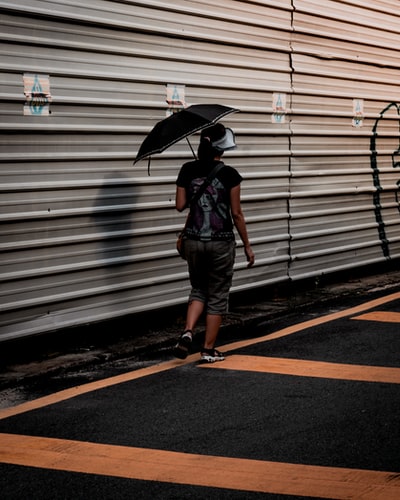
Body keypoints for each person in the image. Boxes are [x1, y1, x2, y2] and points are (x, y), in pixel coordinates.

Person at [173, 123, 255, 363]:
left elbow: (180, 206)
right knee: (217, 295)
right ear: (223, 146)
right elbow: (237, 214)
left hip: (193, 241)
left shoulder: (187, 169)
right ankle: (208, 349)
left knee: (198, 288)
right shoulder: (230, 174)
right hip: (221, 243)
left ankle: (187, 331)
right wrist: (248, 246)